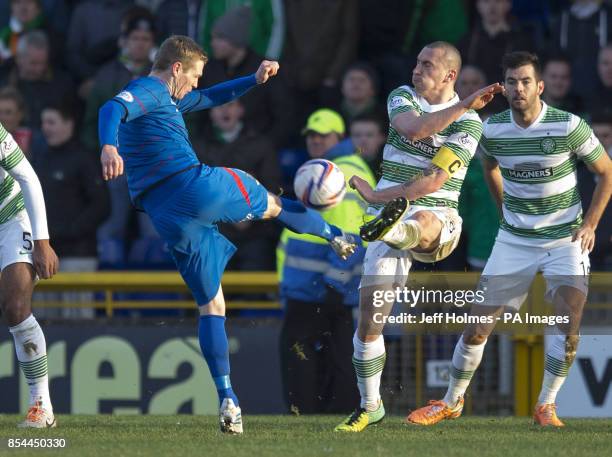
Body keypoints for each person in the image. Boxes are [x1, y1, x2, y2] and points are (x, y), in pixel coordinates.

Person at [98, 35, 356, 434]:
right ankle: (334, 234)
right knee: (270, 202)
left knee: (212, 304)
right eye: (195, 75)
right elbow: (111, 108)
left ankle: (228, 400)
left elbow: (214, 96)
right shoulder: (148, 88)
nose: (197, 83)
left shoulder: (167, 98)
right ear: (177, 68)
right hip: (193, 185)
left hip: (166, 215)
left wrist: (253, 79)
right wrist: (108, 147)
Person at [407, 51, 612, 427]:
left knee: (568, 328)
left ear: (540, 86)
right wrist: (504, 211)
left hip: (565, 240)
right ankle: (452, 402)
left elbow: (606, 173)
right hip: (514, 241)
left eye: (526, 81)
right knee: (477, 326)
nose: (519, 88)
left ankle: (545, 406)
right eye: (513, 82)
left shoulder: (569, 126)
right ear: (504, 88)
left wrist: (591, 225)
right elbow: (490, 167)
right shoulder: (493, 130)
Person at [333, 41, 502, 432]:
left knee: (423, 217)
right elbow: (413, 127)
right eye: (416, 62)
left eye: (427, 65)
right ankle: (370, 406)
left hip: (438, 216)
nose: (416, 69)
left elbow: (434, 180)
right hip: (386, 209)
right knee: (371, 320)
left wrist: (376, 197)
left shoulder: (470, 123)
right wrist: (465, 103)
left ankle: (395, 228)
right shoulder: (402, 96)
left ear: (449, 76)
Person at [277, 108, 375, 415]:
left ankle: (306, 415)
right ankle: (329, 414)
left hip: (320, 288)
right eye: (312, 135)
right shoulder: (328, 169)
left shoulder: (336, 174)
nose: (316, 141)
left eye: (324, 135)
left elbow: (351, 238)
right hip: (317, 286)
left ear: (340, 138)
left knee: (303, 356)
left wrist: (335, 283)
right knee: (337, 356)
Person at [0, 120, 59, 427]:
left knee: (16, 307)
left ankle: (41, 405)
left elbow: (28, 178)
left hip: (10, 217)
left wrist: (42, 242)